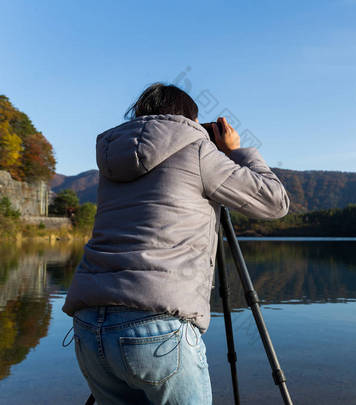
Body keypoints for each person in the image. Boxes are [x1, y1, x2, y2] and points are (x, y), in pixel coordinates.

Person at [62, 83, 290, 405]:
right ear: (190, 121)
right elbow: (275, 201)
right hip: (157, 326)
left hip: (88, 324)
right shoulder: (198, 151)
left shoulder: (112, 160)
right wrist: (235, 151)